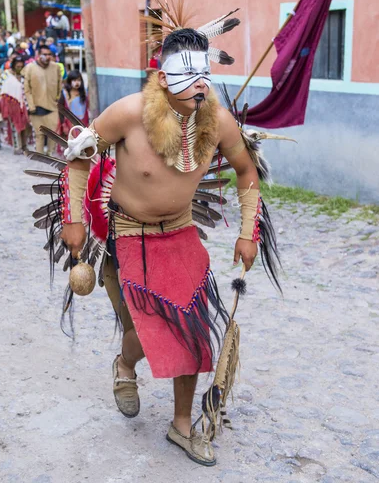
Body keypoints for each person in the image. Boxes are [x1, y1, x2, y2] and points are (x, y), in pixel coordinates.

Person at [60, 23, 266, 466]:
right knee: (152, 334)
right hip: (130, 234)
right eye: (188, 77)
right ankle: (124, 363)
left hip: (182, 232)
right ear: (164, 76)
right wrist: (73, 219)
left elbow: (247, 171)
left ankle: (181, 425)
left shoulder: (217, 121)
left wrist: (249, 231)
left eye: (204, 77)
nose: (199, 86)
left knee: (190, 330)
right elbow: (79, 157)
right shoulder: (128, 114)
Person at [24, 45, 62, 155]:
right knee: (39, 134)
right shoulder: (30, 68)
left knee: (53, 134)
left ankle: (50, 155)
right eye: (44, 54)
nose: (47, 57)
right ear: (38, 55)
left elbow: (60, 85)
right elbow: (27, 89)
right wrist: (31, 105)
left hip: (52, 106)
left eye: (49, 54)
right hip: (36, 107)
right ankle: (39, 156)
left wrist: (57, 99)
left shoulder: (56, 67)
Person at [0, 54, 30, 154]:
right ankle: (17, 147)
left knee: (25, 126)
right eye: (17, 66)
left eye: (21, 66)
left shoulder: (25, 75)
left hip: (24, 105)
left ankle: (25, 145)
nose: (19, 68)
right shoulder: (5, 75)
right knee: (15, 126)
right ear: (13, 65)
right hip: (11, 105)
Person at [58, 70, 89, 137]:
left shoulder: (84, 92)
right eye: (74, 80)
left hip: (83, 123)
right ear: (70, 81)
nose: (77, 83)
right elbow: (60, 110)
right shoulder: (65, 93)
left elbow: (87, 109)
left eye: (78, 80)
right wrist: (63, 125)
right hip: (69, 125)